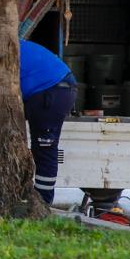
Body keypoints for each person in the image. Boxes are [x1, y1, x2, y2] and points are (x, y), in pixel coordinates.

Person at [19, 39, 77, 204]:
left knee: (45, 149)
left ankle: (43, 202)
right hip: (56, 87)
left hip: (52, 90)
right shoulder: (13, 43)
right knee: (42, 148)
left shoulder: (2, 48)